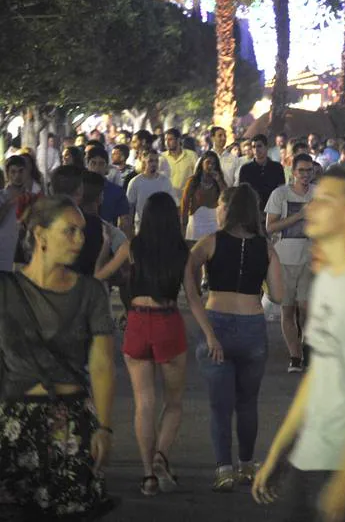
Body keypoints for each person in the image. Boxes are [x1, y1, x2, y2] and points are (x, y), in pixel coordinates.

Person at [253, 166, 345, 522]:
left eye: (325, 200)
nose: (312, 208)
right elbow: (318, 377)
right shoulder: (331, 276)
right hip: (319, 452)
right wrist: (279, 452)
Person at [0, 197, 117, 518]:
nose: (79, 239)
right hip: (13, 427)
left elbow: (102, 364)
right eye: (69, 231)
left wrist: (104, 427)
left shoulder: (91, 292)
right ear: (40, 236)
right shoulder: (6, 289)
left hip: (71, 428)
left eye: (81, 231)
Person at [185, 185, 286, 492]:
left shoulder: (210, 242)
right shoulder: (266, 248)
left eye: (219, 205)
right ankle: (246, 463)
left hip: (216, 323)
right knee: (247, 403)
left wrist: (206, 328)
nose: (216, 209)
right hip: (253, 327)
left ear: (228, 209)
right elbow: (280, 296)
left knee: (220, 405)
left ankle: (224, 468)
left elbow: (188, 281)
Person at [94, 191, 190, 496]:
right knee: (173, 402)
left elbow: (100, 276)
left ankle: (148, 475)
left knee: (144, 402)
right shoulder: (181, 250)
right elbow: (194, 294)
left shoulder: (133, 246)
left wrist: (104, 248)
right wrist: (209, 331)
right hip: (168, 320)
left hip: (137, 320)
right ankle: (162, 455)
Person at [265, 153, 317, 373]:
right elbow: (270, 226)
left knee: (306, 309)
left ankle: (305, 346)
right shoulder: (280, 194)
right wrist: (299, 216)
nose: (305, 175)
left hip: (311, 259)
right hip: (284, 259)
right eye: (301, 170)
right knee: (287, 310)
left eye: (309, 170)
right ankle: (294, 355)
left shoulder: (319, 194)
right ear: (293, 172)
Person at [181, 151, 227, 243]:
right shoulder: (193, 181)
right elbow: (185, 202)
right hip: (196, 221)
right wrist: (183, 223)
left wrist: (219, 181)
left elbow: (226, 197)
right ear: (202, 163)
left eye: (213, 163)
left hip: (213, 220)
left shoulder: (218, 180)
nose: (210, 166)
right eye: (208, 162)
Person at [126, 149, 177, 227]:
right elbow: (130, 207)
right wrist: (129, 227)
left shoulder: (165, 181)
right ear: (144, 162)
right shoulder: (135, 182)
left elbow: (171, 205)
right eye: (151, 161)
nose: (154, 164)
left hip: (162, 226)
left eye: (156, 161)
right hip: (141, 226)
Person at [238, 135, 286, 211]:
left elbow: (281, 189)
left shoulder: (277, 167)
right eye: (253, 147)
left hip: (273, 208)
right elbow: (243, 192)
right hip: (253, 210)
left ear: (266, 147)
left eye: (259, 146)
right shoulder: (245, 169)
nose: (256, 149)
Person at [161, 128, 197, 195]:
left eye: (170, 139)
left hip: (186, 198)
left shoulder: (191, 155)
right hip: (167, 198)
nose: (167, 143)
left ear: (178, 140)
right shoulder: (162, 157)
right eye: (165, 140)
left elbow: (197, 176)